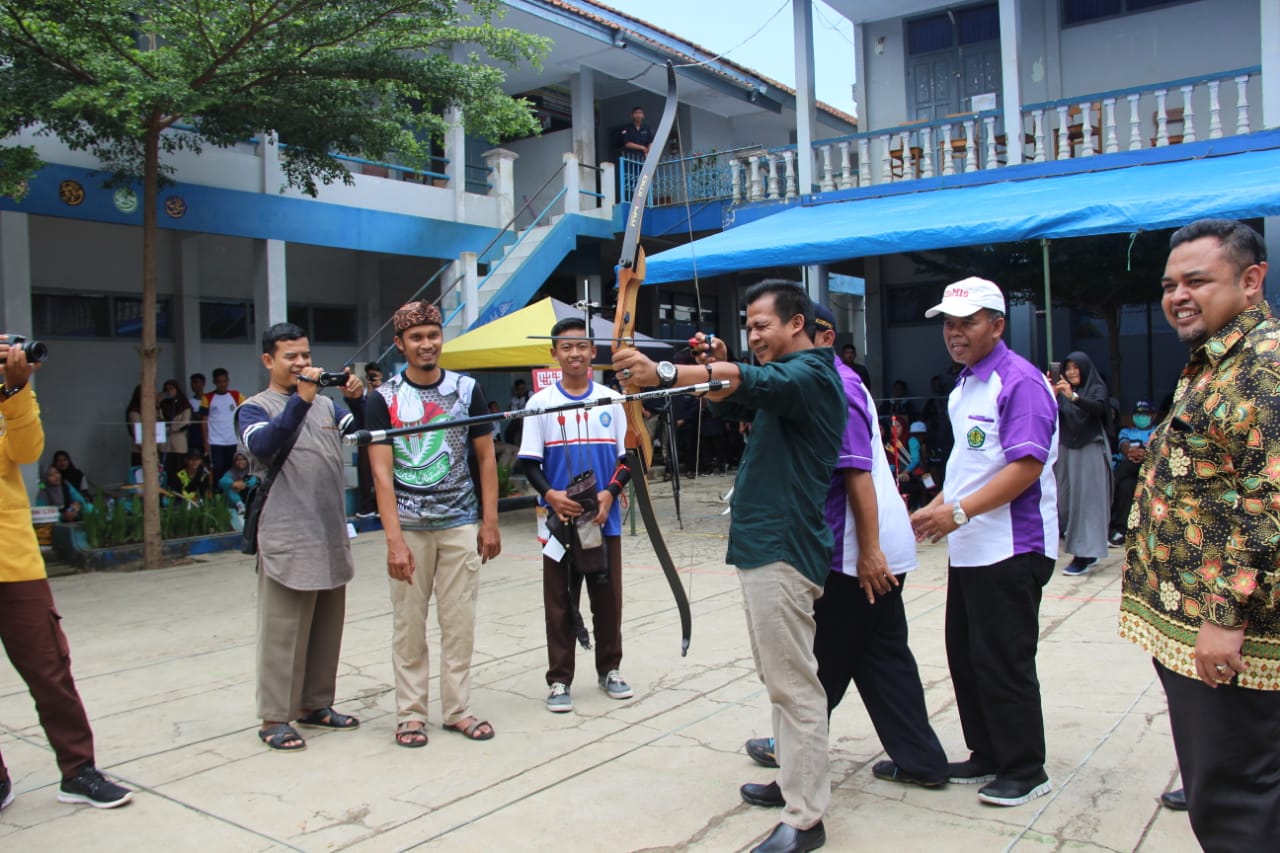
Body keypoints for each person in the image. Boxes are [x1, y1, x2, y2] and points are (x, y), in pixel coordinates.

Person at [614, 280, 845, 853]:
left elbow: (748, 380)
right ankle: (795, 782)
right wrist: (712, 369)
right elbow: (732, 391)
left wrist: (662, 375)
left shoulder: (812, 374)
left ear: (796, 324)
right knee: (780, 679)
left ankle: (807, 817)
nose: (753, 334)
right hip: (765, 546)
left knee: (794, 686)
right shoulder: (786, 382)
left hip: (784, 549)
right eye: (748, 326)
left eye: (762, 324)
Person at [743, 304, 948, 806]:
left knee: (816, 667)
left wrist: (869, 552)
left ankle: (793, 773)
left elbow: (855, 473)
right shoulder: (822, 381)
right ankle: (921, 759)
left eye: (788, 333)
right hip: (865, 548)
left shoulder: (836, 384)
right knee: (881, 658)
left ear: (822, 335)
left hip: (852, 551)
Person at [1118, 218, 1280, 850]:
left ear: (1251, 281)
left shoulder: (1263, 367)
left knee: (1235, 800)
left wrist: (1223, 616)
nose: (1177, 296)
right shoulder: (1218, 358)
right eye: (1169, 284)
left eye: (1196, 281)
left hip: (1231, 636)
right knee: (1228, 780)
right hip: (1194, 623)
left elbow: (1269, 503)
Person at [909, 277, 1059, 808]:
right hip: (971, 546)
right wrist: (940, 504)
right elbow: (972, 466)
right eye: (948, 324)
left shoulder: (1019, 382)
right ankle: (987, 753)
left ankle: (1024, 767)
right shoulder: (965, 384)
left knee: (1003, 659)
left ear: (997, 325)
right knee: (966, 655)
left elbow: (1025, 466)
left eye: (967, 322)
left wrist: (960, 511)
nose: (955, 333)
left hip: (1012, 547)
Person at [0, 334, 133, 810]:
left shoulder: (9, 394)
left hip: (13, 563)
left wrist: (15, 392)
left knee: (50, 670)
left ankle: (78, 770)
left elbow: (26, 450)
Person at [366, 301, 501, 748]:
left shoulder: (467, 390)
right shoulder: (381, 399)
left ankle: (457, 709)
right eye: (417, 337)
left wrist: (490, 522)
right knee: (409, 625)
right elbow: (382, 474)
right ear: (399, 344)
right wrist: (393, 542)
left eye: (433, 334)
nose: (427, 344)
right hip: (407, 528)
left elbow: (485, 459)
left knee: (459, 622)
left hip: (460, 523)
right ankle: (410, 714)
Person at [237, 322, 365, 752]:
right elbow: (265, 447)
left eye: (305, 356)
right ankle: (274, 717)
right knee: (282, 631)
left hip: (329, 532)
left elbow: (362, 434)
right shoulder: (254, 408)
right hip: (286, 535)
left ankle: (316, 705)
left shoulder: (329, 407)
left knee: (326, 629)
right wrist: (302, 399)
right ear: (269, 361)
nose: (301, 364)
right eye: (291, 357)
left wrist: (357, 398)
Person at [519, 317, 635, 715]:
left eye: (582, 346)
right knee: (559, 602)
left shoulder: (612, 399)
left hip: (604, 520)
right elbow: (530, 463)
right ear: (554, 353)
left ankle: (610, 669)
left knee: (608, 599)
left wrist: (609, 493)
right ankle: (559, 679)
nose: (574, 353)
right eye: (566, 347)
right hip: (559, 523)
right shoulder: (539, 404)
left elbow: (628, 458)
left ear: (593, 352)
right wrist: (550, 495)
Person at [1052, 352, 1112, 576]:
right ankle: (1089, 549)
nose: (1071, 372)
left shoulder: (1096, 388)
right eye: (1068, 368)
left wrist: (1074, 397)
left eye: (1076, 368)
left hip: (1090, 446)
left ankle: (1082, 555)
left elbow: (1099, 409)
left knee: (1087, 502)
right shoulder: (1061, 393)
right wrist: (1053, 393)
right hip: (1067, 447)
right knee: (1063, 501)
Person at [1108, 400, 1157, 547]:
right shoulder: (1126, 431)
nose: (1141, 417)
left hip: (1149, 471)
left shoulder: (1157, 430)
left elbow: (1155, 449)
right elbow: (1124, 446)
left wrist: (1142, 452)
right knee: (1127, 486)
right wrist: (1132, 452)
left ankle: (1111, 484)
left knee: (1133, 463)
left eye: (1145, 414)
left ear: (1153, 416)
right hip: (1130, 474)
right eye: (1138, 414)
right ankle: (1121, 531)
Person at [354, 363, 384, 519]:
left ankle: (381, 507)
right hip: (365, 438)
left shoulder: (386, 392)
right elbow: (360, 413)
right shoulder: (362, 395)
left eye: (375, 376)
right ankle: (367, 506)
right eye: (370, 376)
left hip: (381, 439)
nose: (372, 379)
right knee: (365, 473)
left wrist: (379, 389)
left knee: (382, 473)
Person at [204, 367, 244, 483]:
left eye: (224, 381)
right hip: (215, 440)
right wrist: (205, 441)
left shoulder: (236, 395)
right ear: (214, 382)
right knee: (217, 468)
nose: (222, 384)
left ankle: (229, 493)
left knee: (231, 467)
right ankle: (217, 494)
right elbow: (203, 422)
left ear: (228, 380)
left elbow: (244, 414)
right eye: (219, 382)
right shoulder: (207, 398)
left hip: (232, 439)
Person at [160, 378, 193, 480]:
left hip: (179, 440)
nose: (170, 391)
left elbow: (185, 422)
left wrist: (171, 428)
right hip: (165, 442)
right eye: (167, 389)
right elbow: (159, 419)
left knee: (179, 467)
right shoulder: (163, 404)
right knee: (166, 467)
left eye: (172, 388)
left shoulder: (184, 404)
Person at [188, 373, 208, 459]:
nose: (193, 385)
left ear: (203, 384)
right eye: (192, 383)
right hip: (195, 433)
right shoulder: (189, 401)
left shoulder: (208, 400)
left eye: (196, 382)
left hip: (208, 432)